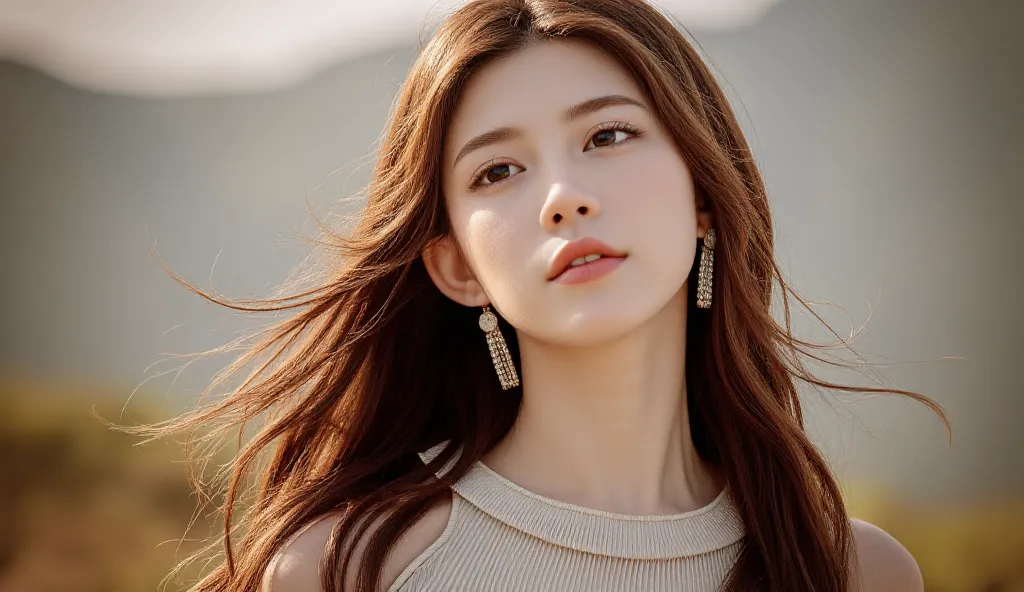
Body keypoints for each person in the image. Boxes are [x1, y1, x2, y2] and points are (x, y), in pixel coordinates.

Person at [147, 0, 949, 590]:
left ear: (704, 195)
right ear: (456, 267)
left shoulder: (854, 572)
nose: (564, 195)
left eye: (607, 136)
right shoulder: (345, 568)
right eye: (498, 171)